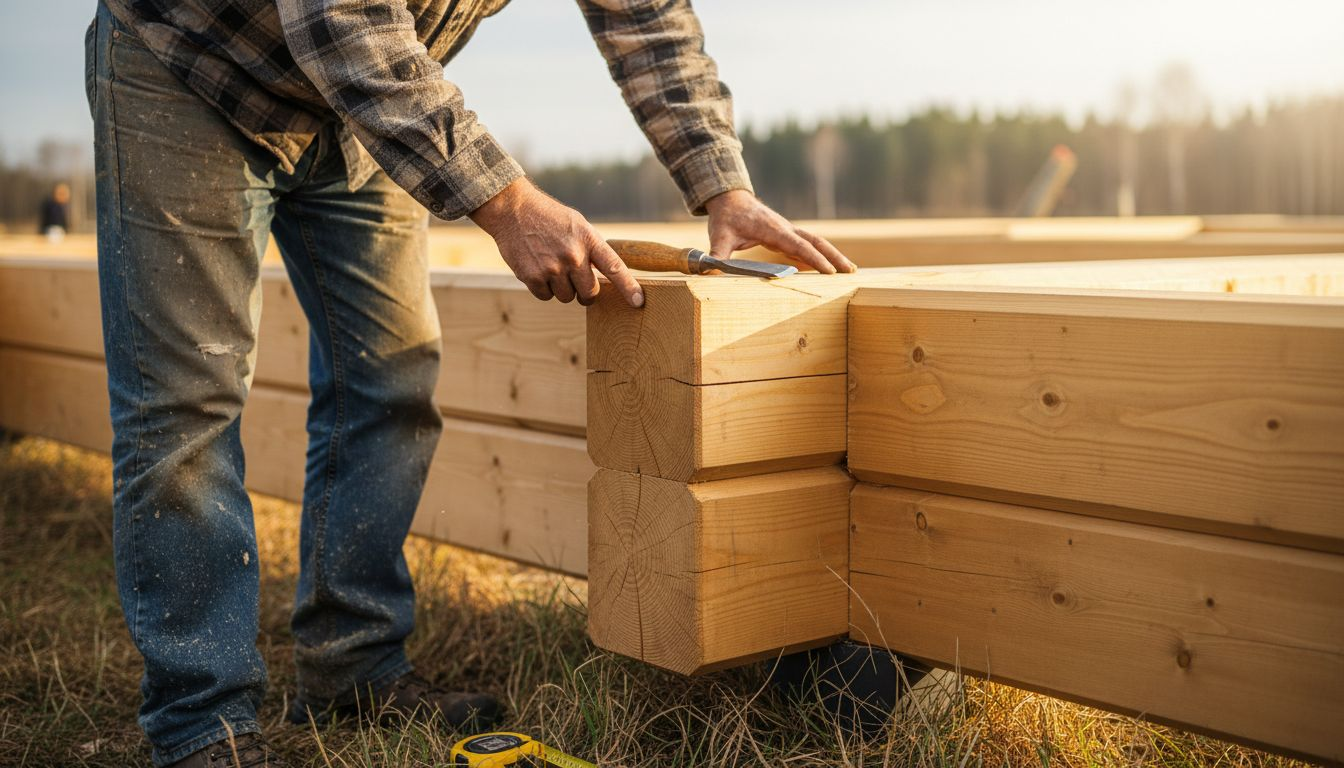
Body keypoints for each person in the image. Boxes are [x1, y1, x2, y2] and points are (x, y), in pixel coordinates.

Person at [85, 0, 855, 765]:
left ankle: (351, 666)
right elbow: (341, 18)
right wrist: (507, 201)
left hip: (366, 105)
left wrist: (724, 185)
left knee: (389, 379)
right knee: (187, 403)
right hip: (195, 68)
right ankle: (202, 721)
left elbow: (649, 19)